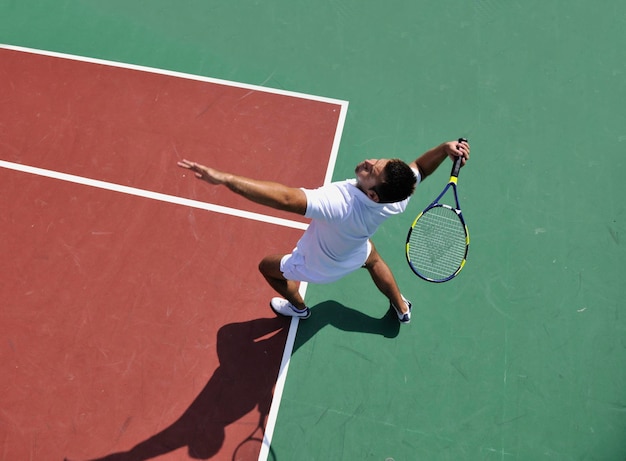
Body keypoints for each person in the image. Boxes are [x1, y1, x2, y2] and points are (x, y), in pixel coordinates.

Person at [178, 139, 470, 324]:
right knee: (374, 260)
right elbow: (419, 168)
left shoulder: (339, 204)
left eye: (372, 172)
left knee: (267, 267)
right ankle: (402, 307)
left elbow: (285, 198)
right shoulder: (398, 196)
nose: (368, 163)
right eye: (376, 161)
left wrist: (227, 179)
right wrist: (444, 150)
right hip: (356, 252)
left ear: (374, 195)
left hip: (317, 266)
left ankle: (300, 309)